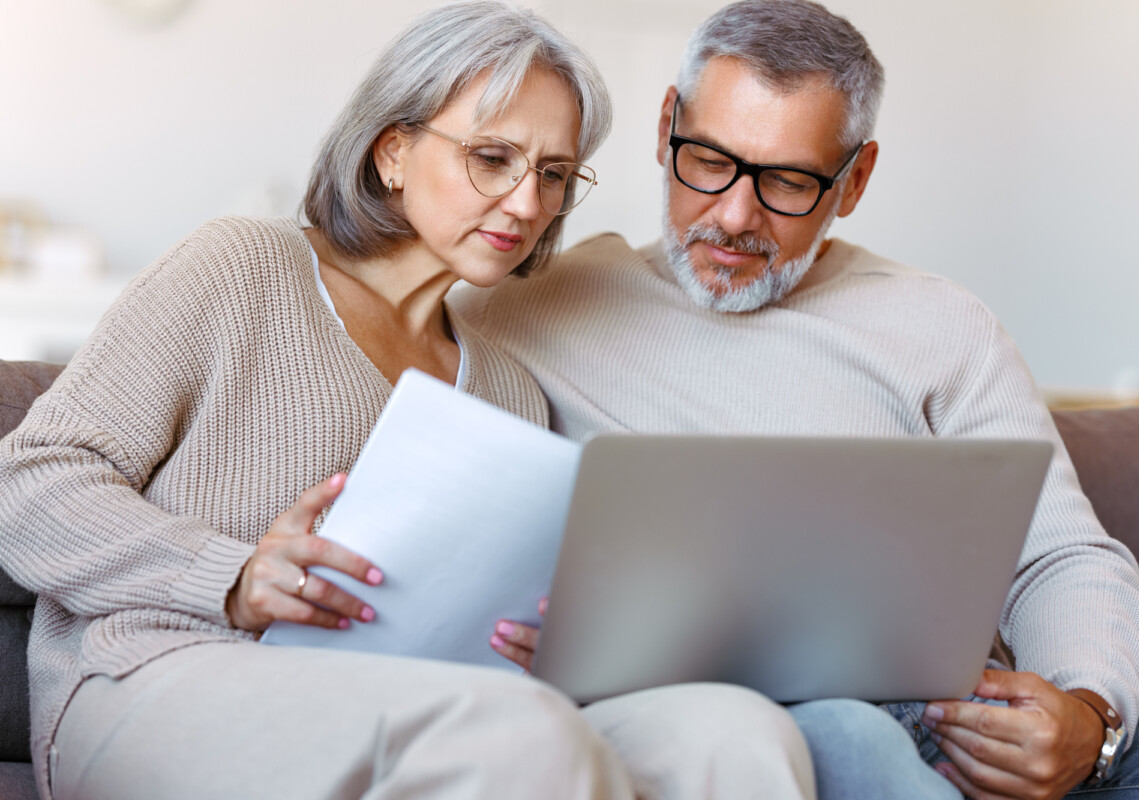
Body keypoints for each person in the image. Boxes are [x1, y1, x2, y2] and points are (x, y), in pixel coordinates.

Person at [0, 3, 818, 799]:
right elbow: (26, 485)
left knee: (737, 733)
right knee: (517, 731)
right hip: (154, 673)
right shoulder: (240, 267)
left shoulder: (507, 388)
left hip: (408, 697)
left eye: (555, 174)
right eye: (492, 158)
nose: (529, 204)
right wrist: (232, 576)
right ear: (394, 151)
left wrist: (549, 641)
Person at [451, 1, 1139, 799]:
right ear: (667, 125)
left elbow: (1062, 555)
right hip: (774, 722)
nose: (735, 217)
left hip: (962, 710)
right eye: (708, 160)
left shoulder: (943, 325)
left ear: (856, 179)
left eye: (787, 182)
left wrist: (1090, 717)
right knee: (846, 735)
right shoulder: (528, 310)